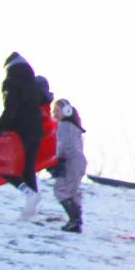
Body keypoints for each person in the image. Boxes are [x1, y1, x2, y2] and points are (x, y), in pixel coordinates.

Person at [0, 51, 46, 220]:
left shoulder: (10, 81)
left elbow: (11, 109)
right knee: (28, 168)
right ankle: (31, 209)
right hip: (37, 129)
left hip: (20, 131)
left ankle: (28, 193)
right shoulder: (32, 83)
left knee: (4, 167)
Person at [50, 98, 86, 232]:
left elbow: (62, 145)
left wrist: (57, 160)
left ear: (66, 111)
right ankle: (76, 220)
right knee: (72, 191)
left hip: (70, 161)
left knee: (60, 189)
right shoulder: (75, 127)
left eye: (57, 110)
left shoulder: (63, 126)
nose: (54, 114)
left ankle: (74, 220)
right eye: (54, 111)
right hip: (79, 161)